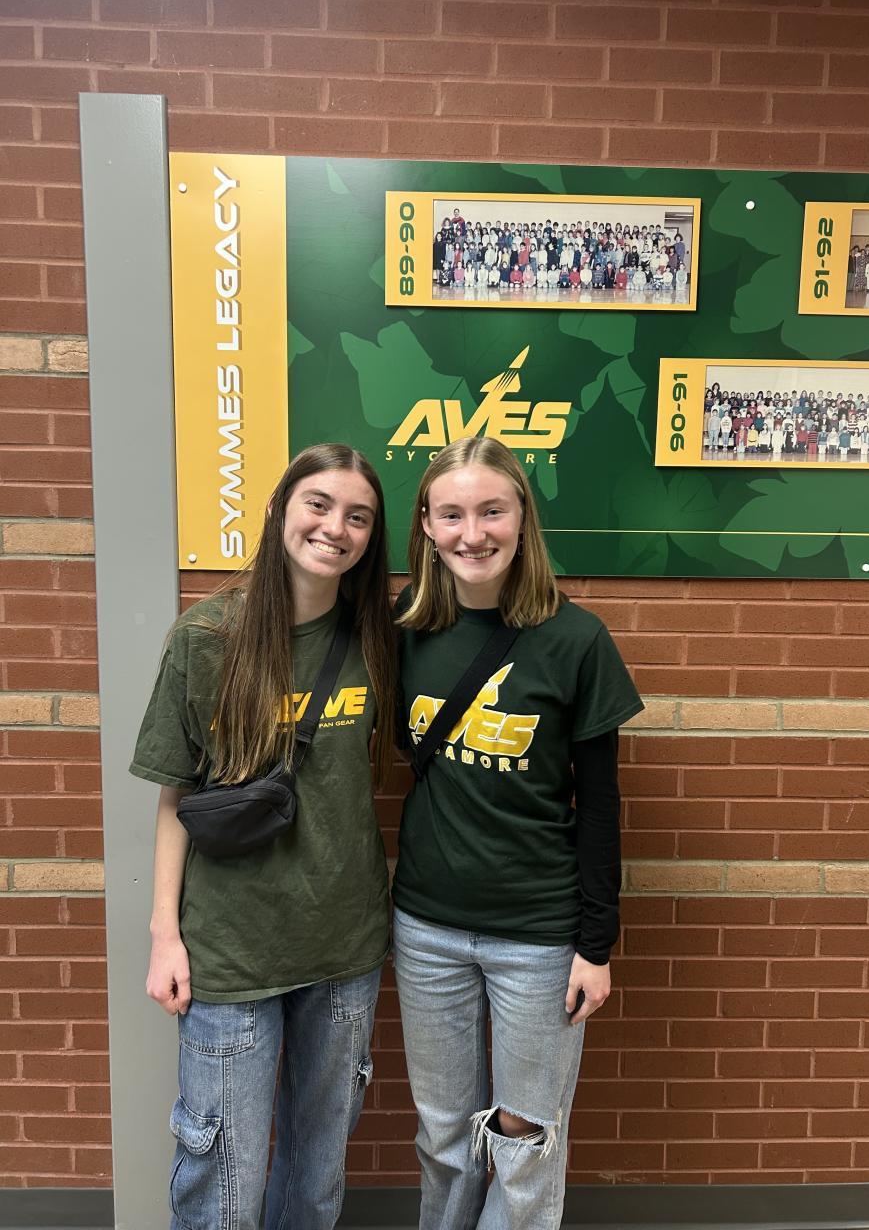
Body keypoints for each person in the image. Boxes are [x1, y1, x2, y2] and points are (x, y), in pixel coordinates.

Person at [130, 445, 397, 1230]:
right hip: (230, 951)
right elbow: (176, 794)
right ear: (280, 508)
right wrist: (164, 934)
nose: (335, 527)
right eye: (319, 504)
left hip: (343, 948)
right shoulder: (206, 637)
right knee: (224, 1182)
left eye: (357, 516)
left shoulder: (378, 639)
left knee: (316, 1175)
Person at [392, 437, 643, 1230]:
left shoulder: (577, 640)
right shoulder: (403, 630)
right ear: (426, 525)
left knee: (523, 1136)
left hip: (538, 936)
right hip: (426, 926)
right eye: (452, 514)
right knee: (443, 1135)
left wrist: (596, 944)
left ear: (522, 517)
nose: (473, 533)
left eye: (491, 511)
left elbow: (599, 805)